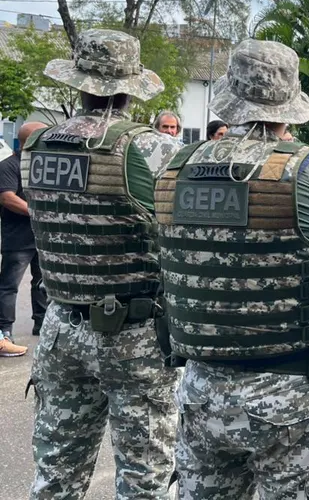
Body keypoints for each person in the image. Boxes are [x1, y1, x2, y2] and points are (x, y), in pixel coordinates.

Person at [156, 39, 309, 500]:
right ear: (290, 103)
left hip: (201, 387)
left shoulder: (175, 165)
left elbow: (164, 249)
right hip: (290, 391)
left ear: (230, 96)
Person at [21, 29, 181, 499]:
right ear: (131, 88)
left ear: (80, 84)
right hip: (135, 333)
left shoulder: (39, 146)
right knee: (145, 476)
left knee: (55, 471)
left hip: (60, 322)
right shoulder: (155, 149)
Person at [0, 121, 48, 357]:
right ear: (29, 141)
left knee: (43, 283)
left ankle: (42, 324)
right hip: (17, 238)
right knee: (9, 286)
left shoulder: (44, 166)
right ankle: (4, 331)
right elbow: (7, 197)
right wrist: (36, 211)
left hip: (42, 237)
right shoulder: (9, 166)